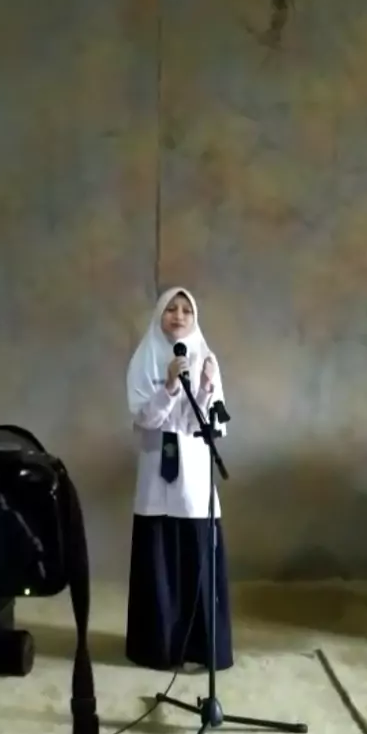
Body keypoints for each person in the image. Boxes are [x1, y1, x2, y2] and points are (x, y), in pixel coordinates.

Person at [125, 286, 233, 672]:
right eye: (171, 308)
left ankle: (201, 647)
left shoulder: (206, 358)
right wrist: (170, 385)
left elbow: (209, 425)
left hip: (195, 475)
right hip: (157, 470)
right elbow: (145, 419)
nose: (179, 316)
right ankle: (158, 648)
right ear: (160, 314)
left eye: (186, 310)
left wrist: (206, 387)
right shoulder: (144, 359)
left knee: (197, 555)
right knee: (158, 557)